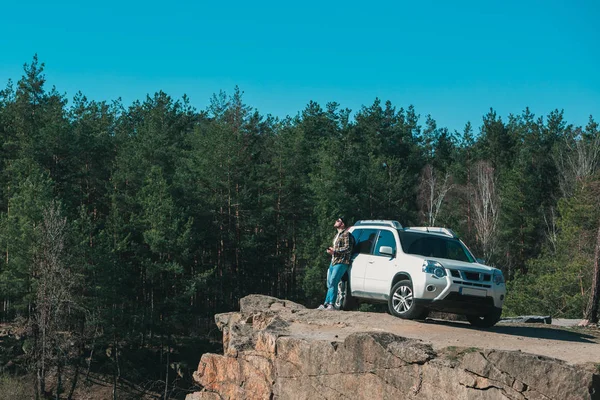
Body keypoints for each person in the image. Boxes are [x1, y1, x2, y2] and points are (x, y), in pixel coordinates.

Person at [317, 216, 354, 310]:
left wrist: (335, 251)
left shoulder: (346, 234)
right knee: (330, 283)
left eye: (338, 221)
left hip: (342, 262)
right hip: (333, 261)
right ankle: (326, 304)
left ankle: (331, 304)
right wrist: (331, 251)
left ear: (342, 224)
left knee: (334, 281)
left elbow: (347, 248)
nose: (336, 221)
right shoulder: (337, 235)